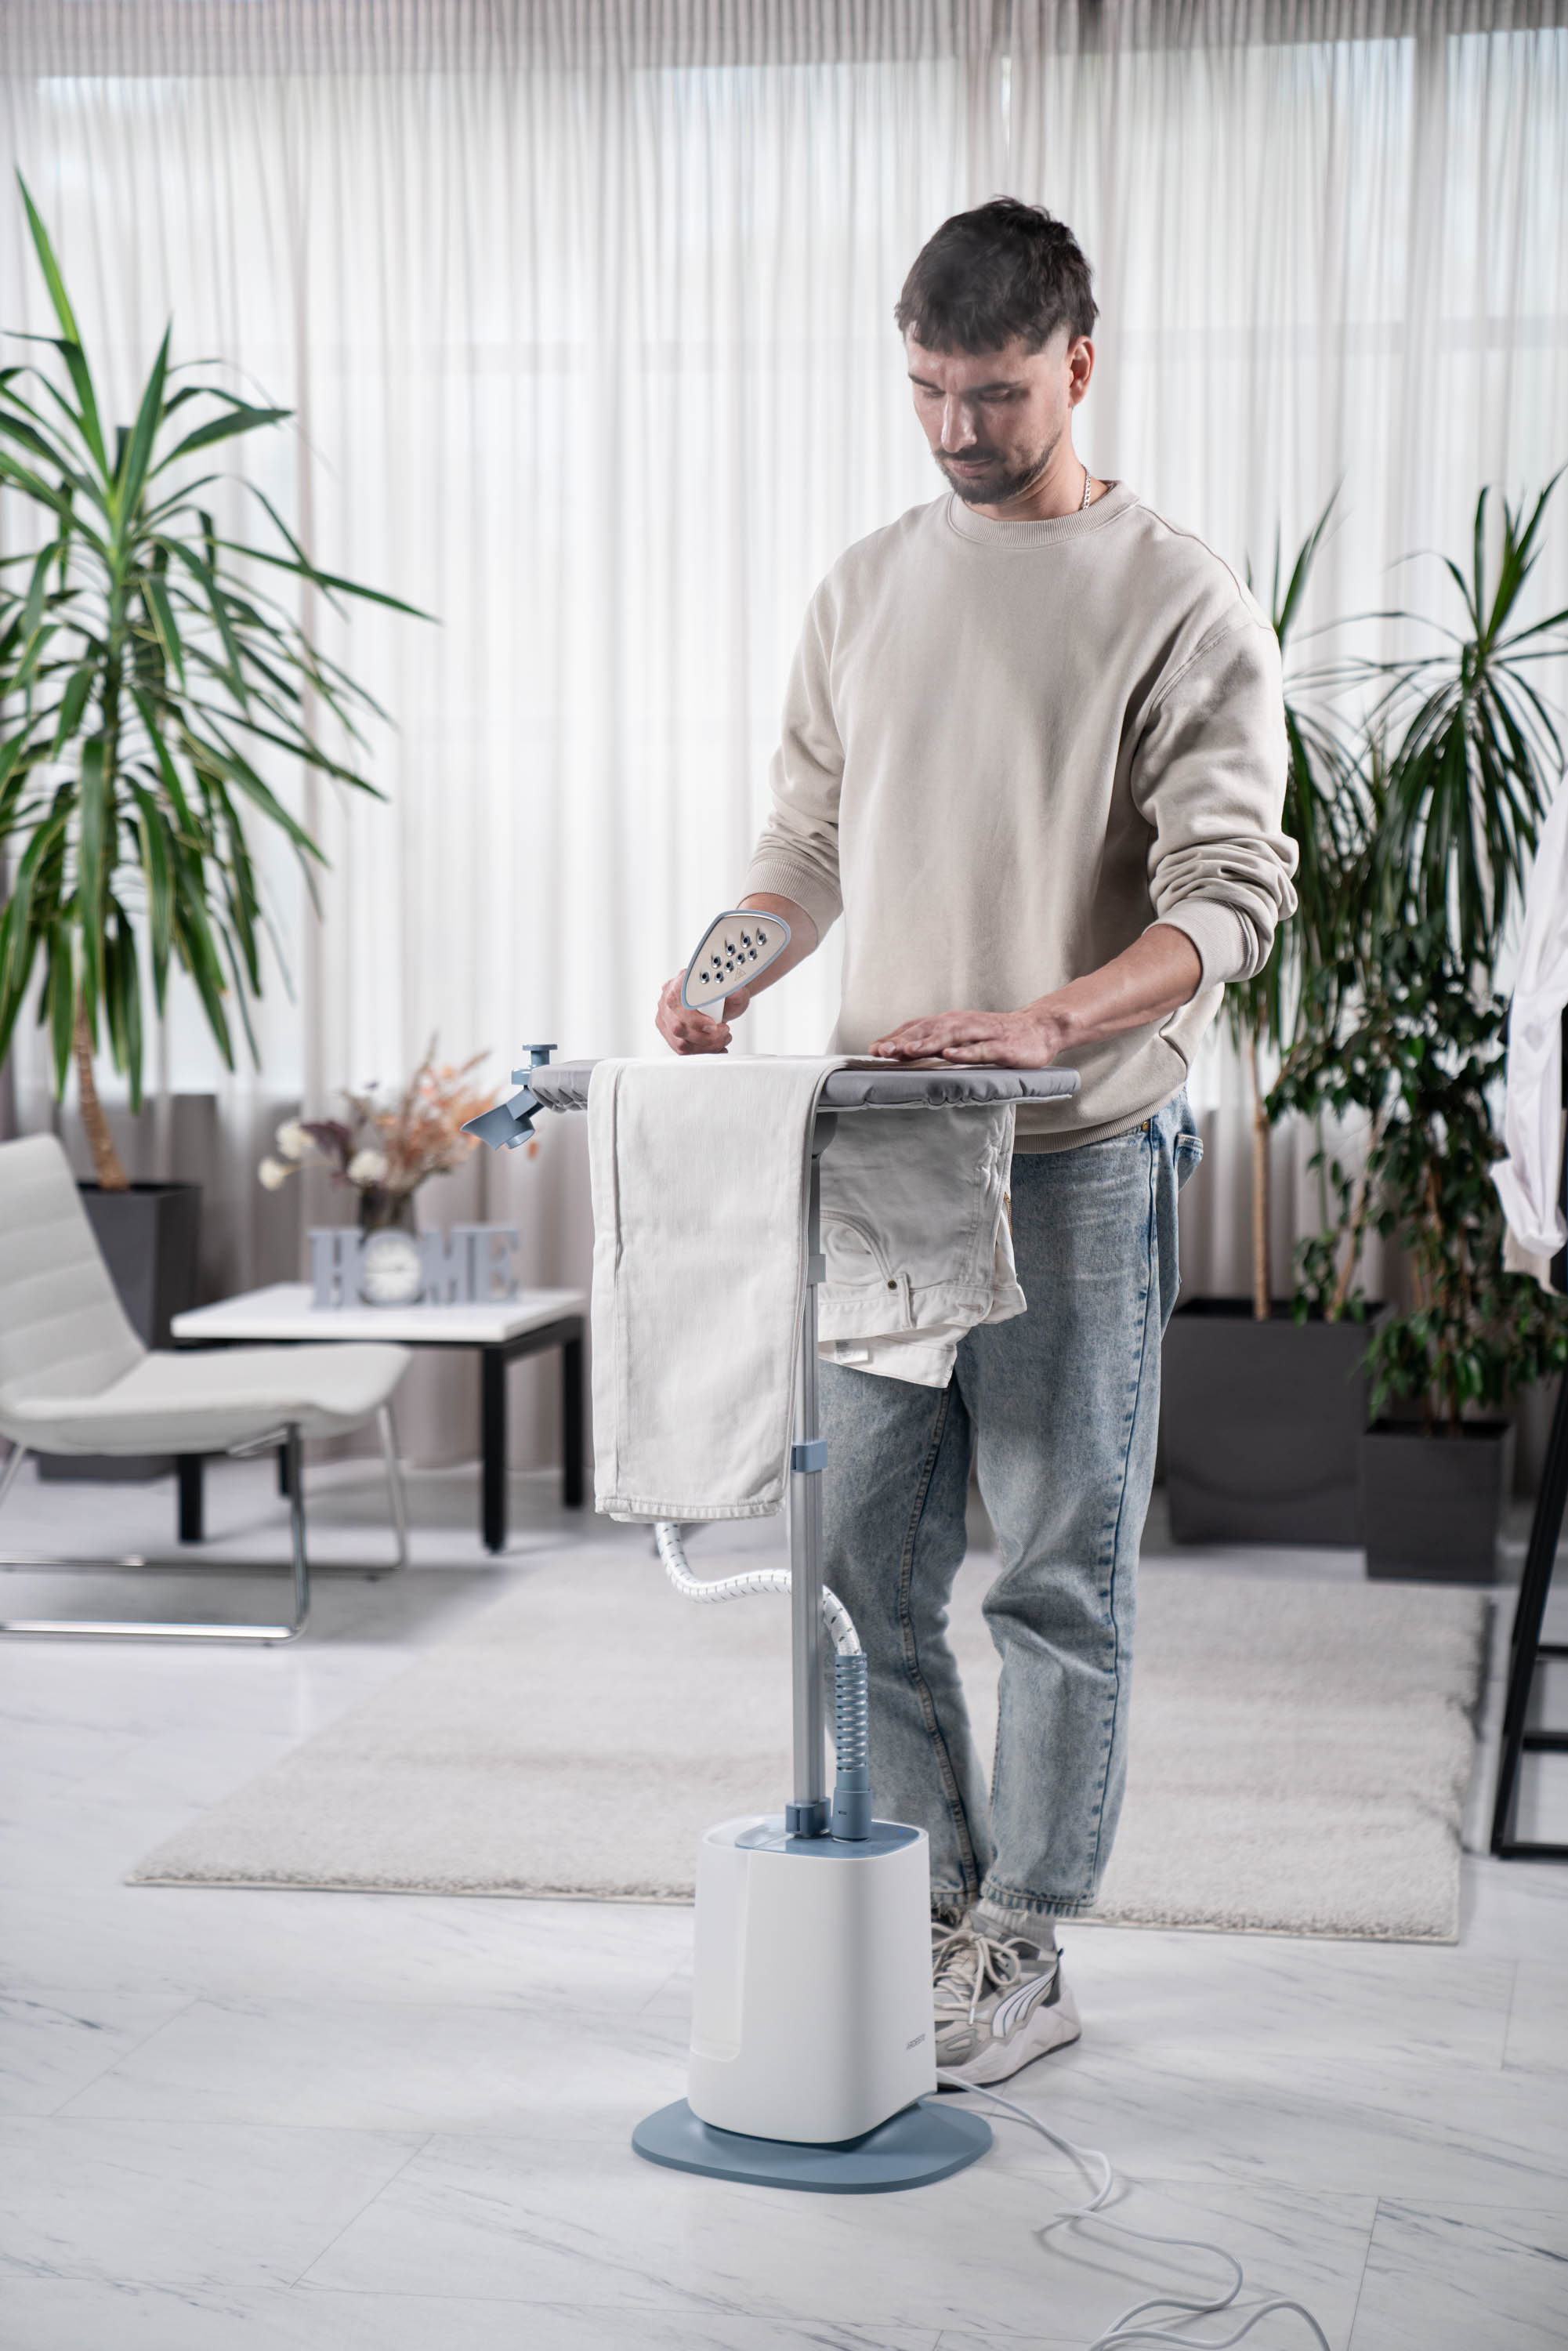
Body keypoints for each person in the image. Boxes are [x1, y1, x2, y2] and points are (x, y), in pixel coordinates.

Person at [656, 198, 1295, 2085]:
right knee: (854, 1559)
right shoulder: (864, 588)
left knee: (1050, 1574)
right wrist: (716, 973)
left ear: (1076, 365)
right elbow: (804, 846)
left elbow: (1228, 894)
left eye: (994, 392)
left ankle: (1024, 1937)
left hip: (1075, 1152)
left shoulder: (1174, 594)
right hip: (881, 1153)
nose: (955, 428)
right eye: (927, 389)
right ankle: (928, 1903)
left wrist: (1050, 1018)